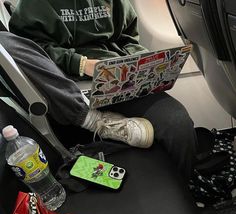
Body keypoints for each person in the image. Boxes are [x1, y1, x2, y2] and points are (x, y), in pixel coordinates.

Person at [1, 0, 197, 179]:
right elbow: (32, 51)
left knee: (177, 123)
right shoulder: (33, 5)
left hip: (117, 77)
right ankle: (95, 121)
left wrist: (142, 64)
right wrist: (82, 64)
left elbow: (127, 38)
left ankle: (185, 191)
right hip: (68, 85)